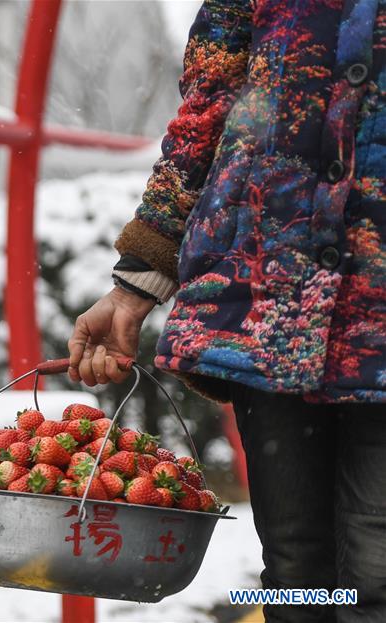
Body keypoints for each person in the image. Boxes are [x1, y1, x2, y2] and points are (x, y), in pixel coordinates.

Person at [67, 1, 385, 621]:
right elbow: (205, 116)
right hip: (265, 299)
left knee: (375, 573)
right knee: (295, 567)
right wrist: (137, 282)